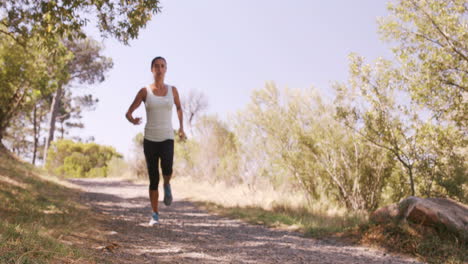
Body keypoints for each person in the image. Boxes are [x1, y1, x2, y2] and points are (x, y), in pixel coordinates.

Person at [125, 56, 185, 226]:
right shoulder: (145, 91)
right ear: (152, 70)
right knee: (153, 178)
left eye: (162, 66)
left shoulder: (173, 90)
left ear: (166, 69)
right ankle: (155, 214)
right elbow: (128, 112)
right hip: (150, 139)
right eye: (156, 66)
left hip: (167, 137)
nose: (159, 69)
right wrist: (132, 119)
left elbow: (179, 108)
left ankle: (167, 184)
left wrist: (181, 128)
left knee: (167, 169)